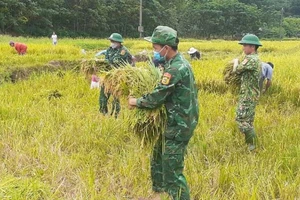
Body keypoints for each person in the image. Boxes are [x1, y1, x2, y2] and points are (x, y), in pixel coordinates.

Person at [128, 26, 199, 200]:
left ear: (166, 48)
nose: (155, 51)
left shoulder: (174, 69)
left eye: (155, 47)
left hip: (178, 125)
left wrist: (136, 101)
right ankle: (159, 192)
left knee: (172, 174)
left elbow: (157, 96)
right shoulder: (179, 63)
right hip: (173, 122)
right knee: (158, 157)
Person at [232, 34, 262, 151]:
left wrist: (235, 62)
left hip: (248, 95)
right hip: (250, 93)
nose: (243, 48)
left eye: (245, 45)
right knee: (248, 120)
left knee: (241, 120)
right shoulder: (254, 59)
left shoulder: (251, 59)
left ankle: (252, 144)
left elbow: (237, 70)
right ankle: (250, 145)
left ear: (252, 47)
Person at [99, 33, 132, 118]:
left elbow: (115, 61)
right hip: (108, 75)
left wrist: (107, 63)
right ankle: (103, 113)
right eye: (111, 41)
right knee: (103, 94)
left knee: (115, 97)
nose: (111, 43)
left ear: (118, 42)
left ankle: (116, 115)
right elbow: (106, 61)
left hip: (118, 76)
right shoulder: (109, 50)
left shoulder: (123, 51)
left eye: (113, 41)